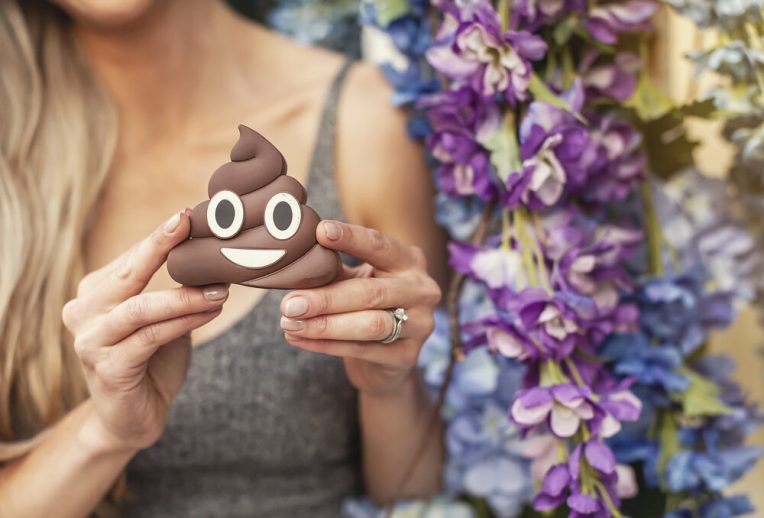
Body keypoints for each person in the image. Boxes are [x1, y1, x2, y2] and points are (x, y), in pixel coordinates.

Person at [0, 1, 448, 516]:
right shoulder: (12, 156)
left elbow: (419, 498)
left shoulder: (368, 123)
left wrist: (392, 387)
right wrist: (103, 433)